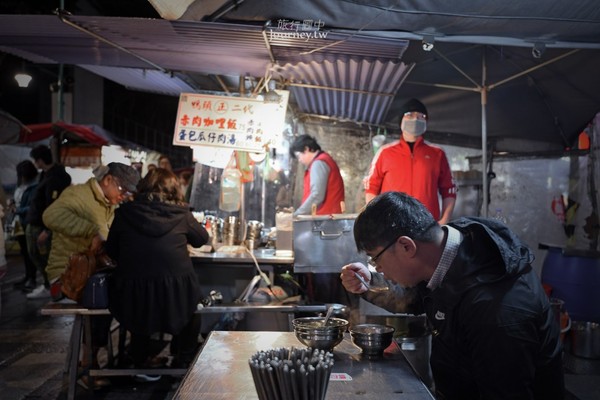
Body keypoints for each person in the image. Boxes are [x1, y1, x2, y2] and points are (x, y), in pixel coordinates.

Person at [340, 191, 565, 400]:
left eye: (375, 259)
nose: (377, 268)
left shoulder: (497, 311)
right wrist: (370, 284)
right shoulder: (449, 248)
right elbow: (419, 297)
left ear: (406, 246)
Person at [42, 162, 140, 388]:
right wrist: (90, 230)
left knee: (124, 289)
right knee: (105, 296)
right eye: (122, 190)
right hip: (67, 275)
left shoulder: (111, 205)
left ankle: (123, 356)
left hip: (95, 272)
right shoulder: (77, 194)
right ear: (108, 181)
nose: (123, 196)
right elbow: (50, 215)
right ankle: (89, 364)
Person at [106, 168, 209, 379]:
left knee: (139, 299)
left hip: (131, 291)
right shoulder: (181, 214)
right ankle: (185, 358)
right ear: (174, 189)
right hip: (177, 292)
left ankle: (141, 359)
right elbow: (201, 239)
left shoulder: (124, 212)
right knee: (194, 306)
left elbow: (111, 250)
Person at [364, 98, 456, 224]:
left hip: (427, 224)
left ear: (426, 121)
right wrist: (376, 218)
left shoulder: (437, 153)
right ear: (401, 120)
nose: (415, 119)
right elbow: (371, 187)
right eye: (409, 115)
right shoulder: (385, 152)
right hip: (392, 223)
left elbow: (449, 190)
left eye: (421, 116)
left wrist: (444, 220)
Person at [25, 145, 71, 299]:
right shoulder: (45, 175)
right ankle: (49, 285)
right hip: (37, 223)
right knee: (36, 255)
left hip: (43, 226)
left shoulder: (56, 177)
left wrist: (47, 229)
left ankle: (54, 288)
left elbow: (52, 205)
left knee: (45, 257)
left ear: (40, 161)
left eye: (35, 161)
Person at [289, 134, 345, 216]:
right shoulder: (323, 160)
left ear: (306, 149)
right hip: (328, 218)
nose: (299, 160)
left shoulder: (319, 163)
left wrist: (297, 215)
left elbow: (317, 195)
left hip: (324, 219)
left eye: (298, 156)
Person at [11, 160, 39, 291]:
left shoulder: (34, 187)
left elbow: (32, 207)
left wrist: (17, 210)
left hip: (27, 221)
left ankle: (31, 279)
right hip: (19, 222)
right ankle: (28, 277)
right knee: (24, 251)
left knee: (30, 252)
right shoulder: (20, 186)